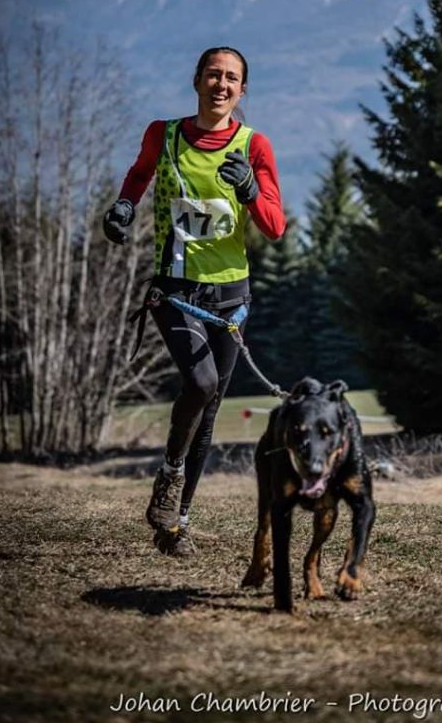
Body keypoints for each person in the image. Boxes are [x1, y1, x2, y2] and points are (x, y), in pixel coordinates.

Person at [103, 47, 286, 556]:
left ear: (242, 90)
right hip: (175, 289)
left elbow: (274, 227)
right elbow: (139, 175)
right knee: (200, 382)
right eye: (213, 75)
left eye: (231, 78)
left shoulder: (255, 145)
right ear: (197, 81)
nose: (221, 84)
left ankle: (176, 524)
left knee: (209, 411)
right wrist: (123, 207)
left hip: (232, 295)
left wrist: (250, 188)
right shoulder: (162, 134)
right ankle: (168, 473)